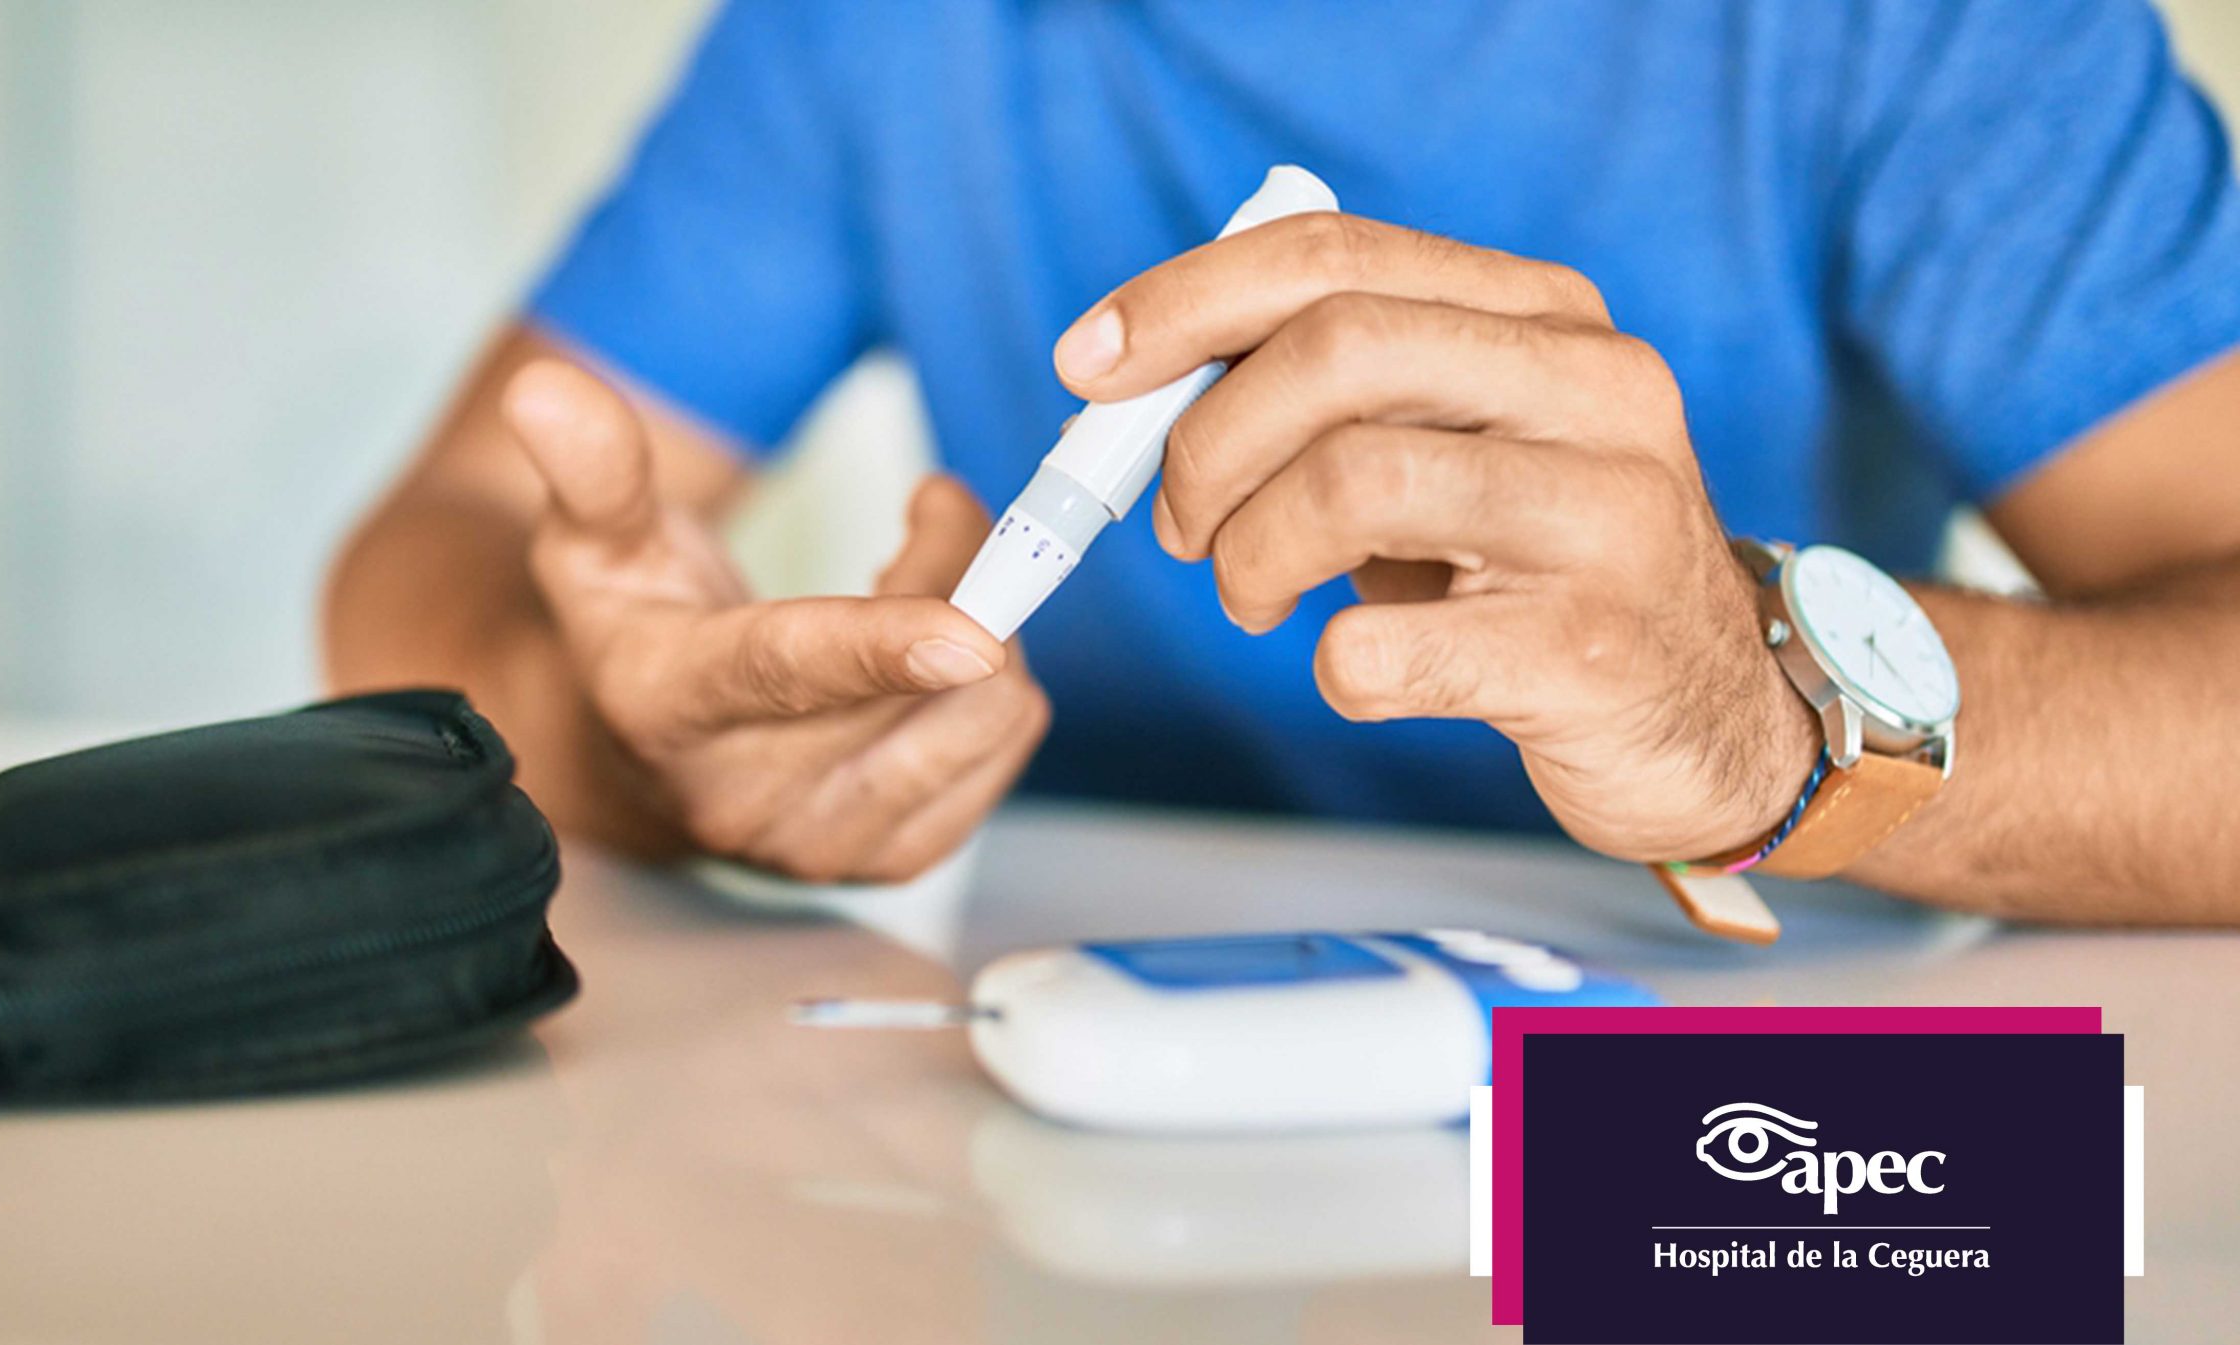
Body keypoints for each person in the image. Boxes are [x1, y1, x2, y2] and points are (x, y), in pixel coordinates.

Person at [325, 1, 2240, 924]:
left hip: (1734, 1139)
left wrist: (1769, 722)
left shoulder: (1932, 33)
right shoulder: (868, 32)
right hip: (1087, 1135)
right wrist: (615, 736)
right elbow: (436, 551)